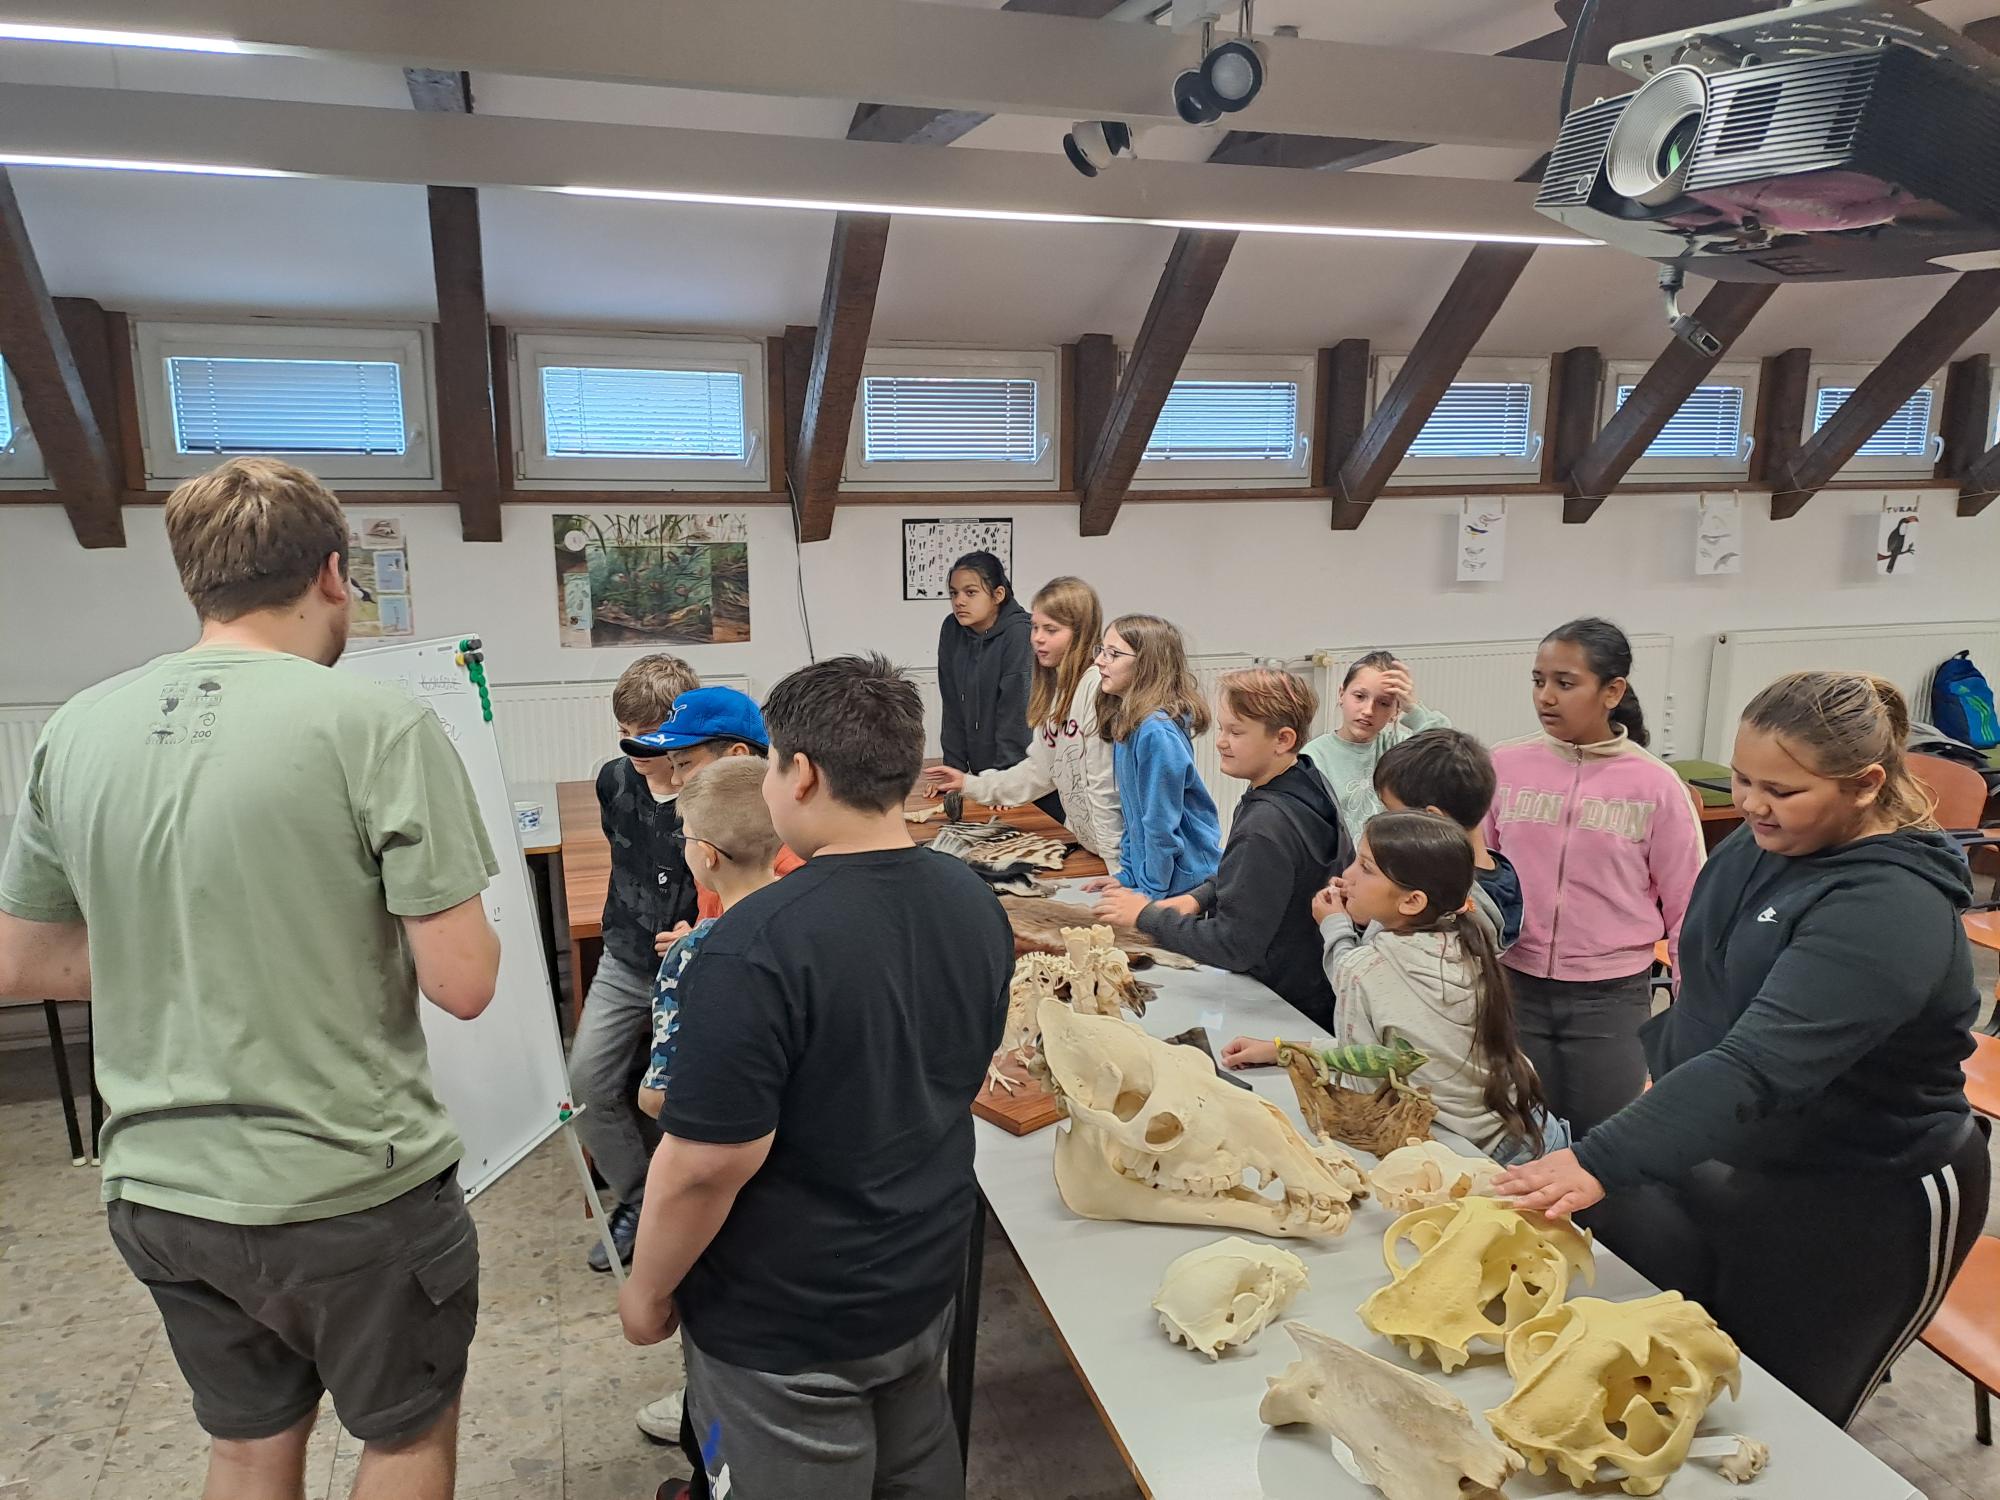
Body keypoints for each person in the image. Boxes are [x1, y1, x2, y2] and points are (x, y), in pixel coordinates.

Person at [0, 458, 501, 1500]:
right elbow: (462, 982)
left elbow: (25, 961)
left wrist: (184, 954)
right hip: (346, 1184)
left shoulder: (76, 728)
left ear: (195, 580)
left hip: (160, 1186)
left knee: (245, 1444)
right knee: (404, 1440)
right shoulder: (376, 724)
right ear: (333, 574)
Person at [1497, 672, 1991, 1426]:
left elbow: (1758, 1064)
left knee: (1777, 1413)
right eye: (1743, 780)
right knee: (1668, 1378)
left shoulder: (1890, 909)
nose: (1754, 804)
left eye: (1783, 791)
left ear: (1865, 785)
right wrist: (1661, 1101)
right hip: (1737, 1156)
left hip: (1862, 1196)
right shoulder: (1759, 845)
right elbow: (1706, 990)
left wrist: (1600, 1158)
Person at [617, 655, 1013, 1500]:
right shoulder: (972, 898)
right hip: (919, 1279)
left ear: (800, 773)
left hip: (789, 1325)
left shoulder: (750, 945)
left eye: (770, 769)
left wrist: (646, 1291)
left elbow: (705, 1164)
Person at [1223, 812, 1560, 1166]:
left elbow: (1368, 1093)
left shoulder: (1364, 970)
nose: (1347, 876)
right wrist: (1284, 1049)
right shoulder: (1467, 939)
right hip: (1536, 1137)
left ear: (1412, 901)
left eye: (1366, 868)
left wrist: (1335, 928)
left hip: (1477, 1164)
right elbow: (1391, 1054)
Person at [1482, 618, 1703, 1137]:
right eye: (1538, 681)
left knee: (1602, 1140)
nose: (1546, 697)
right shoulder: (1503, 767)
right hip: (1515, 985)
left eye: (1565, 683)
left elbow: (1690, 905)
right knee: (1515, 1134)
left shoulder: (1656, 786)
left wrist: (1691, 1002)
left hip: (1611, 998)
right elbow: (1479, 872)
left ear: (1612, 692)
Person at [629, 756, 787, 1453]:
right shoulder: (813, 923)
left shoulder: (695, 955)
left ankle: (711, 1432)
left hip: (734, 1189)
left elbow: (663, 1093)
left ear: (706, 856)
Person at [1096, 668, 1349, 1028]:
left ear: (1283, 739)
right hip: (1311, 988)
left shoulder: (1265, 826)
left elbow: (1234, 947)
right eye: (1222, 729)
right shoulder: (1306, 779)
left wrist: (1145, 916)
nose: (1220, 742)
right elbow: (1257, 879)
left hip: (1281, 1008)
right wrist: (1198, 898)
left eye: (1236, 732)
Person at [573, 654, 703, 1272]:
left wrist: (699, 929)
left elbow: (755, 883)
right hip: (624, 961)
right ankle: (641, 1200)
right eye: (623, 734)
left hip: (699, 971)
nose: (632, 749)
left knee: (688, 1098)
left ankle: (694, 1213)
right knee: (587, 1086)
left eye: (646, 737)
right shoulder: (614, 782)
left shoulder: (715, 792)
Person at [924, 575, 1122, 857]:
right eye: (1035, 627)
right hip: (1089, 845)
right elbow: (1038, 772)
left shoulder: (1096, 690)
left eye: (1051, 630)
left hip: (1117, 858)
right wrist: (968, 784)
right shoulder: (1055, 693)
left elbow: (1106, 790)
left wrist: (1117, 868)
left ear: (1081, 633)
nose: (1037, 638)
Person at [618, 685, 806, 925]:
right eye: (672, 765)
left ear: (737, 756)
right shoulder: (712, 830)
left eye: (683, 764)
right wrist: (699, 931)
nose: (675, 780)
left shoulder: (784, 866)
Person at [1082, 614, 1222, 902]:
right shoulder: (1128, 722)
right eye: (1101, 650)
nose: (1098, 661)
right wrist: (1127, 876)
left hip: (1186, 884)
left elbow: (1161, 826)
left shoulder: (1156, 733)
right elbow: (1133, 817)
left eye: (1113, 654)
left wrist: (1149, 895)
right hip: (1160, 881)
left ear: (1146, 665)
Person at [1373, 728, 1523, 950]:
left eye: (1391, 812)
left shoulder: (1440, 900)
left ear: (1432, 819)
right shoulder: (1504, 877)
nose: (1383, 822)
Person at [1300, 650, 1450, 835]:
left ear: (1396, 711)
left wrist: (1414, 708)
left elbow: (1447, 752)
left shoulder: (1399, 747)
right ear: (1341, 694)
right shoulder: (1314, 757)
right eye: (1359, 696)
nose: (1368, 710)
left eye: (1384, 703)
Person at [935, 550, 1033, 779]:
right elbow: (951, 706)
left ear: (998, 595)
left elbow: (1016, 715)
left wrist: (1003, 782)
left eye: (970, 592)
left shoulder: (1020, 634)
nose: (959, 601)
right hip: (982, 772)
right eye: (954, 593)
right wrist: (954, 772)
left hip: (1021, 774)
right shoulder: (952, 628)